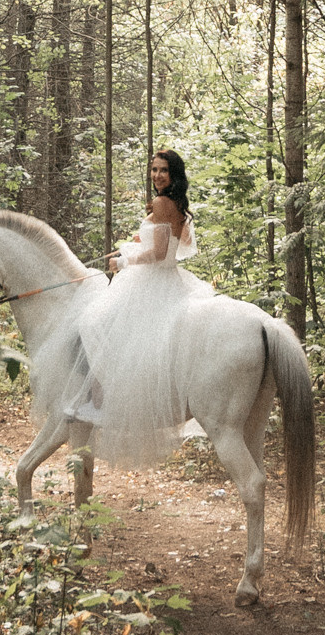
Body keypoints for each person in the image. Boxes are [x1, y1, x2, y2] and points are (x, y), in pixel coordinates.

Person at [64, 147, 214, 466]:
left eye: (163, 170)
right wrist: (138, 242)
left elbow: (160, 253)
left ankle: (103, 399)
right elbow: (178, 245)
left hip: (151, 280)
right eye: (154, 170)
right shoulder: (177, 204)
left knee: (93, 322)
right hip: (169, 278)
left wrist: (125, 258)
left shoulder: (161, 203)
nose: (157, 175)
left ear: (173, 174)